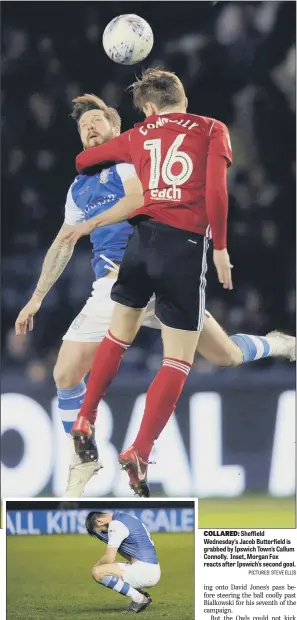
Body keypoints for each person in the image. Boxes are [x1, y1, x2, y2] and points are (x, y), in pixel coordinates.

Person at [61, 69, 296, 498]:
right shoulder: (211, 129)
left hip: (141, 243)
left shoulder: (140, 133)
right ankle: (140, 449)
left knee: (120, 334)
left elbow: (82, 161)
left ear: (149, 108)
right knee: (178, 361)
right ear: (181, 97)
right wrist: (220, 249)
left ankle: (85, 417)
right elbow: (216, 193)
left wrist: (113, 148)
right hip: (183, 249)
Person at [85, 510, 161, 614]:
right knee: (110, 570)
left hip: (145, 571)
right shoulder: (127, 517)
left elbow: (109, 558)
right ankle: (143, 596)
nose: (104, 532)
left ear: (99, 521)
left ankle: (139, 599)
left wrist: (96, 568)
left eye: (101, 530)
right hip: (151, 568)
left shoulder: (116, 525)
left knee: (98, 572)